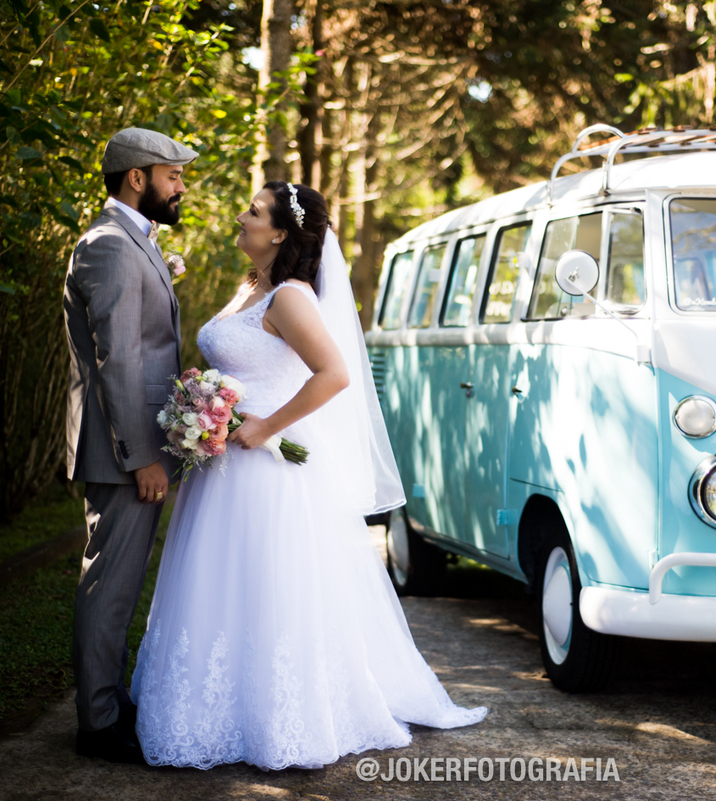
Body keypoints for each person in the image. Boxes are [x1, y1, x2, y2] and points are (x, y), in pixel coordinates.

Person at [130, 182, 487, 770]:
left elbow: (334, 373)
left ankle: (282, 717)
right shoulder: (252, 288)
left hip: (268, 467)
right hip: (224, 465)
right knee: (221, 583)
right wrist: (206, 401)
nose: (241, 216)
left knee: (272, 584)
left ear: (279, 233)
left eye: (253, 211)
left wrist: (266, 425)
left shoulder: (291, 297)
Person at [64, 127, 198, 763]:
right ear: (137, 178)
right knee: (108, 585)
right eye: (172, 175)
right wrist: (142, 455)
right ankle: (97, 724)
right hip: (125, 451)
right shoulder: (112, 246)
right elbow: (116, 360)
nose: (180, 187)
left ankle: (109, 703)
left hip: (136, 443)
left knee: (116, 584)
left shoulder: (134, 241)